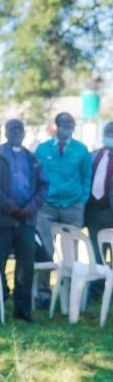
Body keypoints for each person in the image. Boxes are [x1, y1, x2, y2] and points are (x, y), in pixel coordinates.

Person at [0, 119, 48, 323]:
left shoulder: (32, 157)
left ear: (25, 132)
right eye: (12, 129)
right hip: (2, 221)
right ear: (6, 132)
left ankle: (22, 310)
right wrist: (10, 206)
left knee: (25, 267)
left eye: (20, 129)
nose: (16, 133)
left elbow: (43, 186)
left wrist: (30, 208)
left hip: (26, 221)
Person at [35, 112, 91, 304]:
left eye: (71, 123)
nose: (68, 126)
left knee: (71, 252)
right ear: (56, 126)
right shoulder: (42, 149)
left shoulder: (81, 150)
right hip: (47, 208)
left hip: (72, 206)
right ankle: (43, 293)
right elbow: (37, 176)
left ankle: (69, 293)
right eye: (65, 123)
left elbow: (86, 178)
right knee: (45, 251)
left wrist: (81, 200)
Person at [84, 121, 113, 298]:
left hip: (110, 212)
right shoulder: (94, 155)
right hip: (93, 213)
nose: (109, 134)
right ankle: (96, 290)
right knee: (96, 253)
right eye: (107, 131)